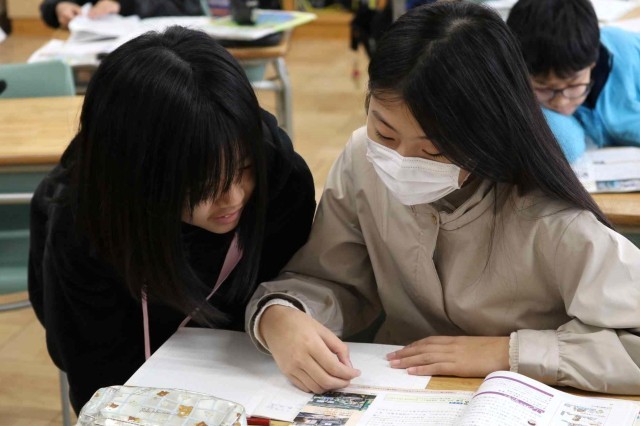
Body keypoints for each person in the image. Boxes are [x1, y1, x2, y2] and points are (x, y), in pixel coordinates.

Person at [245, 1, 640, 396]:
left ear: (489, 136)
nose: (401, 160)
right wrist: (281, 313)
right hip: (396, 391)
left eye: (433, 151)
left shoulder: (552, 217)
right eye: (384, 133)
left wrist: (511, 352)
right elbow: (331, 278)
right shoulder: (363, 160)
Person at [28, 26, 315, 413]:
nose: (233, 198)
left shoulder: (281, 181)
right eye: (204, 185)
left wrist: (279, 314)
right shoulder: (82, 221)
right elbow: (95, 379)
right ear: (140, 174)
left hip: (257, 381)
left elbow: (300, 283)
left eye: (244, 169)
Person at [507, 0, 640, 163]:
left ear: (592, 63)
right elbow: (567, 145)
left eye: (573, 85)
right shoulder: (518, 80)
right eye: (543, 87)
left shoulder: (631, 57)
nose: (560, 103)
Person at [40, 0, 204, 29]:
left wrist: (122, 5)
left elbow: (193, 7)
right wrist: (59, 7)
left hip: (169, 45)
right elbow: (47, 7)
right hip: (101, 49)